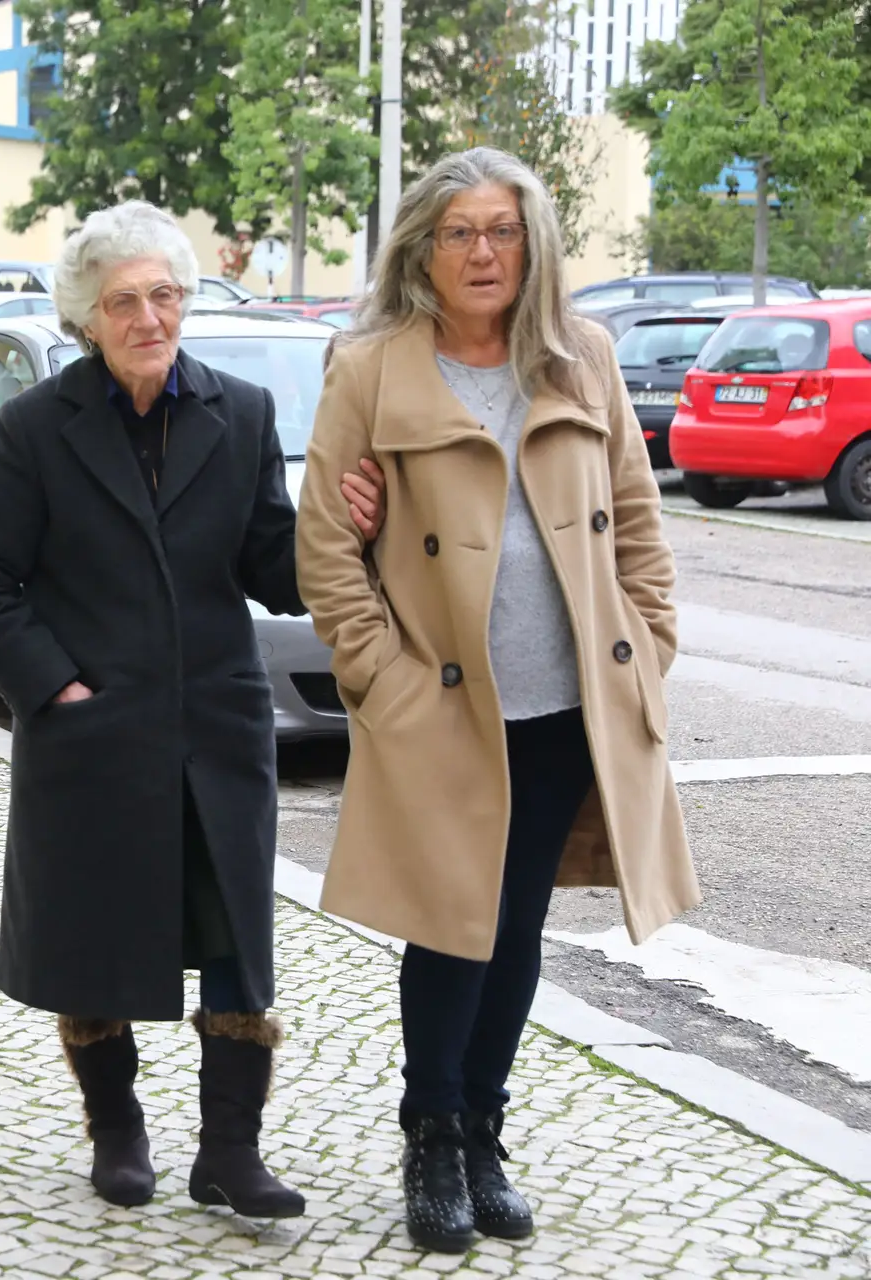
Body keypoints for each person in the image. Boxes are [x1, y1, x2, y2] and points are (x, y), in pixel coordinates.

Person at [0, 201, 384, 1220]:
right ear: (88, 317)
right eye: (126, 301)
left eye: (166, 296)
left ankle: (230, 1147)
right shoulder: (38, 427)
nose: (150, 316)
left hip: (219, 731)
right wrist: (57, 686)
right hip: (93, 737)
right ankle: (119, 1129)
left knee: (233, 937)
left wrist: (349, 529)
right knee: (98, 935)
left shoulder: (238, 413)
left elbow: (273, 566)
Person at [294, 147, 699, 1253]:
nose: (485, 252)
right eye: (462, 231)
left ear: (536, 245)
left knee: (516, 924)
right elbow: (326, 545)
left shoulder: (584, 357)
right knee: (450, 926)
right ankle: (430, 1134)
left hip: (571, 705)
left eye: (505, 231)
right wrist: (380, 675)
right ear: (425, 245)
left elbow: (637, 516)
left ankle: (483, 1130)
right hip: (444, 706)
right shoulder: (372, 364)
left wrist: (647, 644)